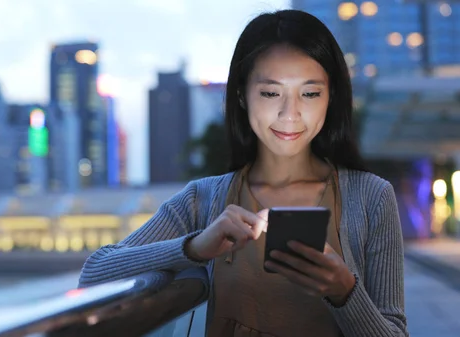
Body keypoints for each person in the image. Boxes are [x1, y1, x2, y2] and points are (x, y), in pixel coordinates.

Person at [79, 9, 408, 337]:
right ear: (241, 95)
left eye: (309, 93)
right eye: (270, 93)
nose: (289, 114)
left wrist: (344, 290)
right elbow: (94, 273)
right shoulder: (204, 200)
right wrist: (194, 248)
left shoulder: (370, 197)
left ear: (331, 97)